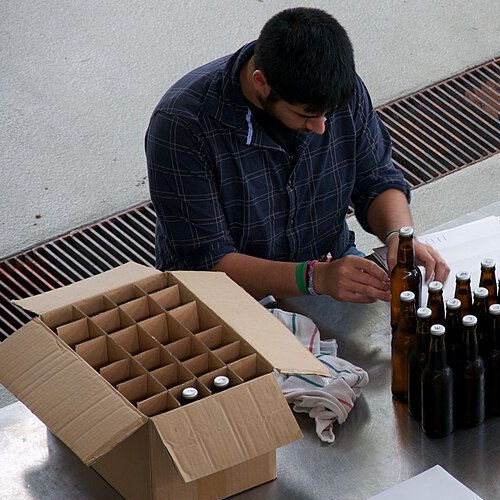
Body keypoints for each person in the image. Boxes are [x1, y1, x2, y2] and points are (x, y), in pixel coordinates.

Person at [145, 7, 448, 303]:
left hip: (328, 262)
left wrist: (398, 235)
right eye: (306, 115)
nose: (320, 128)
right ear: (260, 82)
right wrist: (315, 278)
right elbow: (208, 263)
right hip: (226, 299)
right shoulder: (182, 125)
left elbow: (376, 178)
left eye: (328, 114)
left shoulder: (339, 89)